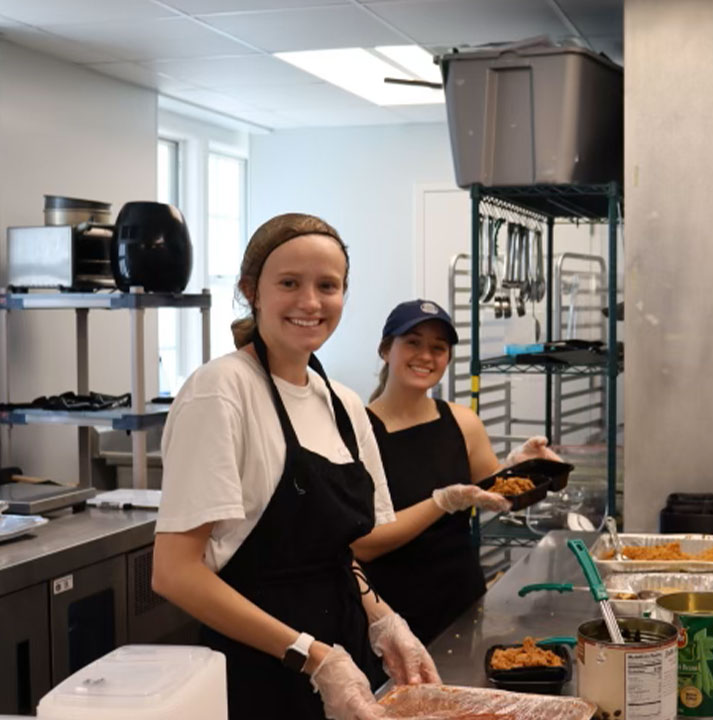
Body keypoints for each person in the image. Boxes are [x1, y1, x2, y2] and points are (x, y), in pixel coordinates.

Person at [151, 214, 439, 720]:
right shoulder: (220, 392)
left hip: (344, 660)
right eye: (289, 283)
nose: (310, 302)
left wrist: (383, 620)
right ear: (251, 290)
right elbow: (175, 574)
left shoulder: (346, 407)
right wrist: (312, 658)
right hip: (258, 671)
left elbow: (334, 553)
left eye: (327, 286)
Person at [355, 299, 561, 644]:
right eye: (413, 342)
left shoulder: (463, 423)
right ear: (385, 349)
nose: (426, 355)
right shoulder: (358, 430)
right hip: (390, 613)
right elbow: (364, 545)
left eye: (438, 348)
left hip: (461, 600)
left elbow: (497, 497)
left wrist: (523, 467)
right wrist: (441, 502)